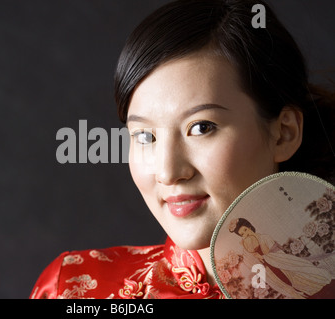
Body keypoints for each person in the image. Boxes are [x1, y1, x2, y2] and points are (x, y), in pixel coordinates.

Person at [31, 0, 335, 299]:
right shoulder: (73, 290)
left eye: (201, 127)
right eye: (145, 136)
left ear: (284, 133)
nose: (168, 172)